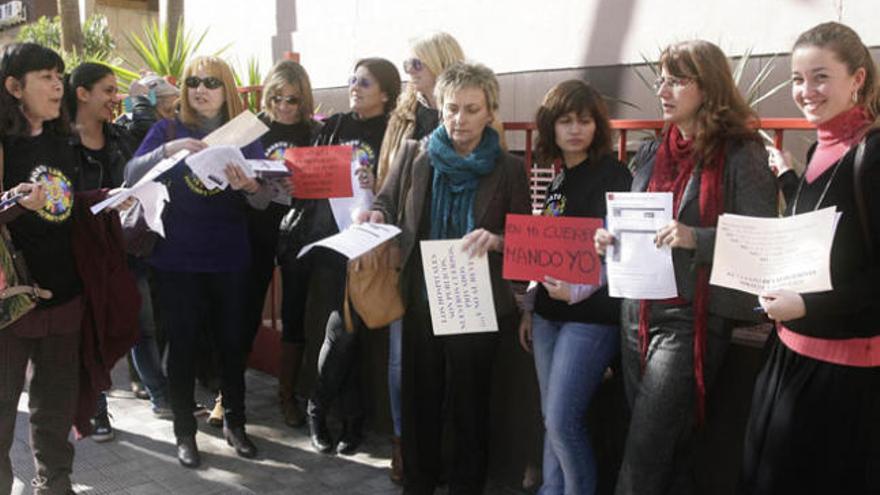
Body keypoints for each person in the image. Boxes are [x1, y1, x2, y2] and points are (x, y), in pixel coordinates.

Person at [592, 40, 777, 495]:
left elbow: (761, 236)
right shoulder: (654, 150)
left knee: (644, 453)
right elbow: (636, 219)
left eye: (677, 80)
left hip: (690, 317)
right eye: (661, 79)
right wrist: (608, 238)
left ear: (708, 85)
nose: (663, 89)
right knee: (668, 452)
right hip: (637, 311)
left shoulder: (741, 152)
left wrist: (699, 238)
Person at [363, 61, 530, 494]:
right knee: (420, 400)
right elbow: (385, 200)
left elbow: (525, 240)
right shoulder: (415, 153)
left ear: (490, 110)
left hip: (476, 304)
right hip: (420, 297)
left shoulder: (509, 169)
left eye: (472, 109)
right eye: (452, 108)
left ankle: (465, 486)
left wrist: (496, 240)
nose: (460, 119)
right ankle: (418, 482)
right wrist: (376, 213)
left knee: (469, 405)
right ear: (439, 108)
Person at [739, 21, 880, 495]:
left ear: (857, 78)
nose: (805, 91)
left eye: (820, 77)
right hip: (786, 356)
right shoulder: (822, 146)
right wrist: (788, 182)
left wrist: (807, 306)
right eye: (798, 79)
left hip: (842, 376)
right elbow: (828, 232)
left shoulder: (873, 154)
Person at [124, 55, 268, 468]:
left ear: (227, 88)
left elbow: (262, 201)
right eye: (192, 82)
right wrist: (170, 149)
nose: (200, 89)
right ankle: (184, 432)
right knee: (182, 348)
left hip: (229, 258)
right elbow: (131, 173)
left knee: (231, 346)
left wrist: (251, 185)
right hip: (177, 261)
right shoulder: (166, 128)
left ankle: (235, 425)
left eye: (210, 82)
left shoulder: (243, 134)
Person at [518, 80, 632, 495]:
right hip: (550, 315)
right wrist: (532, 307)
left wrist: (580, 289)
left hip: (592, 316)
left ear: (597, 126)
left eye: (584, 120)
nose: (575, 129)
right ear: (551, 128)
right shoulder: (558, 178)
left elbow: (619, 249)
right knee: (553, 419)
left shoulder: (614, 173)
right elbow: (546, 250)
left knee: (564, 420)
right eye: (565, 121)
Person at [375, 31, 465, 484]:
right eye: (406, 65)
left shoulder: (470, 109)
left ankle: (441, 451)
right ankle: (402, 445)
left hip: (457, 262)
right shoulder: (404, 119)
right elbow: (388, 184)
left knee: (450, 366)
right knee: (400, 362)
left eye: (416, 65)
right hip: (406, 257)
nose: (408, 73)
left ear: (441, 64)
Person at [305, 57, 401, 456]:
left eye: (365, 82)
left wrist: (373, 181)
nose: (355, 87)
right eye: (352, 79)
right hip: (333, 241)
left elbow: (397, 186)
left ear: (386, 92)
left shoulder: (394, 131)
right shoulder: (335, 125)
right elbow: (310, 174)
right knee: (341, 334)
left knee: (356, 336)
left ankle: (346, 418)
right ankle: (323, 409)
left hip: (372, 246)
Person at [66, 62, 161, 444]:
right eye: (107, 90)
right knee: (90, 332)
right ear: (82, 93)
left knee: (137, 321)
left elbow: (147, 134)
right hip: (83, 252)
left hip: (126, 248)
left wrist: (142, 96)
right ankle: (97, 409)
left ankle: (159, 393)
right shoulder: (59, 143)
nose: (114, 98)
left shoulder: (120, 136)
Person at [253, 59, 322, 428]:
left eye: (292, 100)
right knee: (244, 312)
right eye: (277, 97)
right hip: (255, 229)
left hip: (299, 231)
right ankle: (223, 394)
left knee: (294, 315)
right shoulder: (252, 128)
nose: (283, 105)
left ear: (304, 100)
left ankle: (287, 395)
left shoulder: (315, 132)